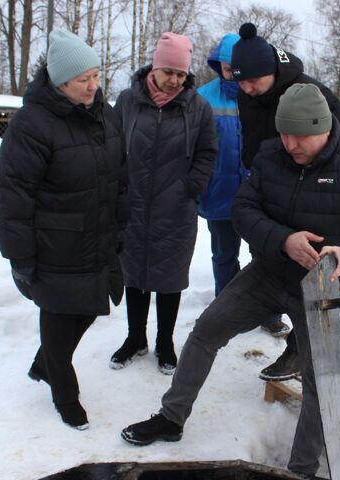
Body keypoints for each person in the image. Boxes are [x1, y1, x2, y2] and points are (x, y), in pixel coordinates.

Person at [119, 83, 340, 478]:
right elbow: (243, 209)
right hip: (271, 272)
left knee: (320, 379)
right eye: (284, 133)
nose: (290, 143)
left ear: (324, 127)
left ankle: (301, 469)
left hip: (326, 287)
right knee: (206, 330)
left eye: (300, 135)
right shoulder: (272, 155)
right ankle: (172, 416)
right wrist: (282, 240)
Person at [0, 28, 127, 430]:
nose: (92, 85)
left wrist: (121, 221)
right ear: (58, 81)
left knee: (87, 307)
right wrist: (20, 255)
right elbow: (13, 196)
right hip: (53, 241)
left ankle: (44, 363)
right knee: (56, 314)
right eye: (82, 79)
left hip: (97, 234)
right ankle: (64, 393)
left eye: (96, 75)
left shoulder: (104, 113)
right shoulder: (32, 124)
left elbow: (118, 173)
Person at [230, 22, 340, 381]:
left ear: (270, 70)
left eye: (252, 80)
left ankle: (307, 353)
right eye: (239, 81)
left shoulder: (310, 93)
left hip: (320, 197)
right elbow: (254, 138)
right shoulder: (249, 92)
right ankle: (299, 344)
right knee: (273, 266)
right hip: (272, 193)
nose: (245, 88)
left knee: (318, 280)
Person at [109, 32, 217, 375]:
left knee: (170, 277)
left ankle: (164, 342)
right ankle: (135, 338)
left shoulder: (197, 107)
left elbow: (207, 152)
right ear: (154, 68)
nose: (174, 80)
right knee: (134, 273)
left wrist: (191, 187)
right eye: (168, 72)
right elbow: (110, 145)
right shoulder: (128, 101)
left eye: (180, 74)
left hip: (176, 208)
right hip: (133, 205)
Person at [196, 33, 290, 338]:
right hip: (219, 191)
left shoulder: (262, 96)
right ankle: (226, 307)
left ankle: (269, 312)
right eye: (225, 66)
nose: (231, 72)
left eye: (235, 66)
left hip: (257, 193)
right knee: (224, 253)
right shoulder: (203, 98)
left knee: (264, 253)